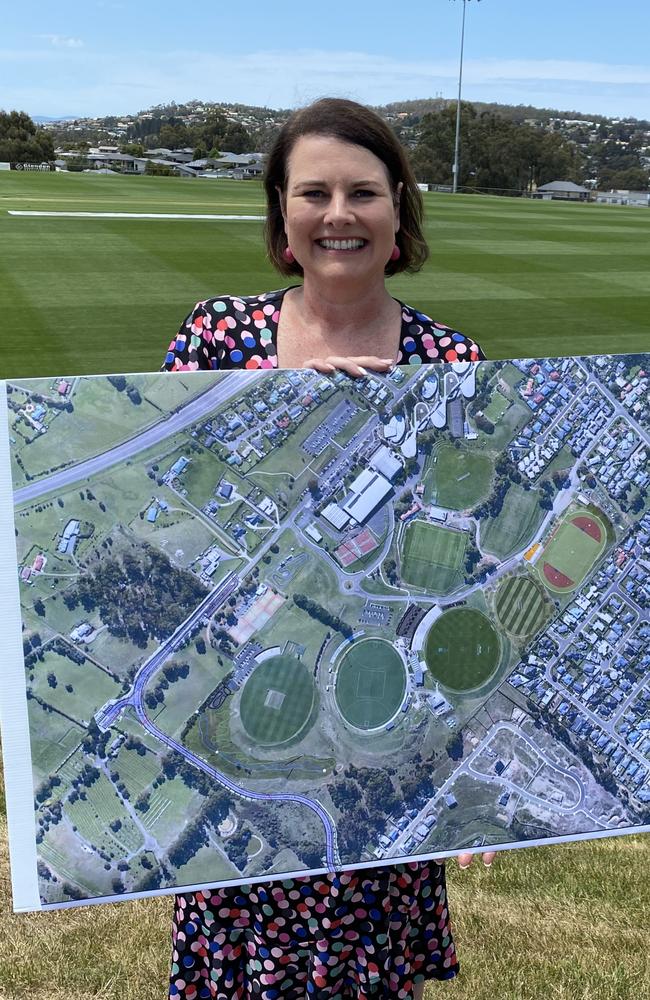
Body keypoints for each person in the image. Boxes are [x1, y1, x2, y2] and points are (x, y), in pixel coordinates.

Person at [164, 97, 495, 1000]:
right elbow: (177, 528)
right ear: (282, 214)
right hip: (251, 757)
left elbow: (454, 578)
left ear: (398, 213)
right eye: (314, 192)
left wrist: (460, 780)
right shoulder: (218, 337)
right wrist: (284, 409)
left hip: (383, 763)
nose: (338, 214)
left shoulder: (448, 359)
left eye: (363, 193)